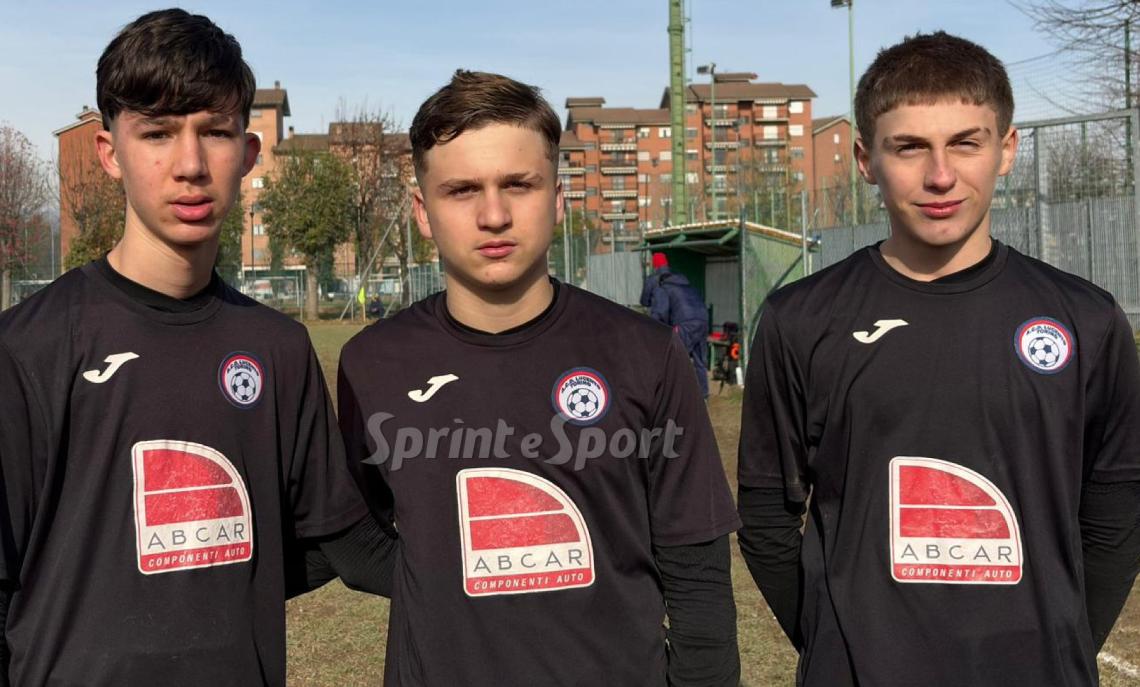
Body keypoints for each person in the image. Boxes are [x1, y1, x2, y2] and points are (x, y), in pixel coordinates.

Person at [0, 9, 394, 686]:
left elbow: (340, 544)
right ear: (110, 153)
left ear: (247, 153)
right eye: (157, 133)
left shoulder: (279, 348)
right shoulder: (26, 346)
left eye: (214, 132)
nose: (190, 165)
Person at [737, 31, 1140, 687]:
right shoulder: (801, 319)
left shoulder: (1086, 319)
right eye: (910, 147)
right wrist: (835, 640)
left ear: (1007, 149)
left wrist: (1060, 643)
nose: (941, 175)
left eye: (965, 143)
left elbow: (1116, 510)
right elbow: (765, 516)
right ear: (866, 159)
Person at [338, 70, 742, 686]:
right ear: (423, 212)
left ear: (556, 198)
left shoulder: (644, 353)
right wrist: (446, 584)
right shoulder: (372, 363)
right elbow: (352, 534)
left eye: (518, 184)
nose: (494, 215)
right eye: (462, 190)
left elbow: (698, 577)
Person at [640, 252, 711, 397]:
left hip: (685, 323)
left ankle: (675, 396)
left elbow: (660, 311)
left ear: (654, 265)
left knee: (674, 359)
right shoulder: (681, 280)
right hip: (703, 320)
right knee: (699, 362)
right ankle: (703, 396)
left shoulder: (660, 285)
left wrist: (652, 329)